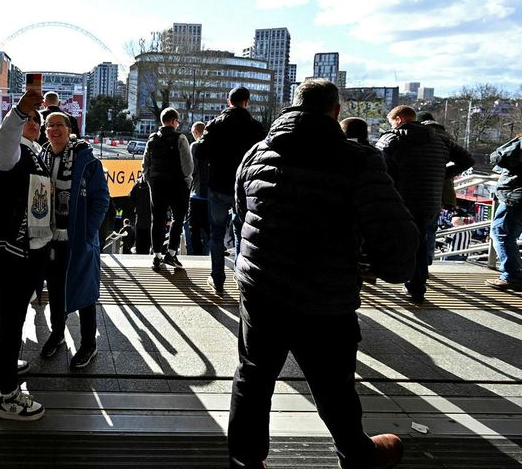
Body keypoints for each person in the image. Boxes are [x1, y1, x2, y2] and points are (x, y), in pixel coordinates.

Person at [229, 79, 418, 469]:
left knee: (253, 376)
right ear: (335, 111)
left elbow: (240, 214)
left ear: (292, 107)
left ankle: (246, 460)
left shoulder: (256, 153)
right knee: (333, 384)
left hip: (261, 286)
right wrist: (390, 270)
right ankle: (357, 453)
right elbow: (395, 232)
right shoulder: (358, 159)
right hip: (325, 293)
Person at [0, 88, 51, 421]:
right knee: (12, 318)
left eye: (38, 118)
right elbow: (3, 140)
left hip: (21, 246)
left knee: (7, 311)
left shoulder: (34, 153)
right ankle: (8, 395)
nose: (35, 123)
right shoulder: (11, 151)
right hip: (10, 248)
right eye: (30, 119)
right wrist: (18, 112)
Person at [376, 105, 474, 303]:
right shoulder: (440, 139)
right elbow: (467, 159)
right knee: (420, 243)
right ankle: (417, 287)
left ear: (399, 119)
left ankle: (389, 274)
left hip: (400, 199)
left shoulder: (392, 138)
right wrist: (442, 175)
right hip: (430, 201)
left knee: (391, 239)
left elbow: (377, 165)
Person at [38, 111, 110, 368]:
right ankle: (57, 334)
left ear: (69, 129)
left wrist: (89, 233)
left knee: (85, 291)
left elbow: (101, 199)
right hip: (48, 237)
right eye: (49, 126)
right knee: (55, 289)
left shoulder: (86, 161)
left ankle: (89, 344)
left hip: (78, 237)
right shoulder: (41, 156)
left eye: (59, 125)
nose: (54, 130)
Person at [197, 86, 266, 294]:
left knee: (216, 233)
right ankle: (240, 274)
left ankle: (217, 278)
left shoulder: (215, 125)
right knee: (240, 231)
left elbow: (201, 151)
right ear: (247, 102)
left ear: (228, 102)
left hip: (218, 185)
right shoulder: (255, 127)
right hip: (244, 188)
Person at [142, 107, 192, 272]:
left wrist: (151, 180)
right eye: (177, 121)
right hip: (177, 184)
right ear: (173, 121)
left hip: (157, 184)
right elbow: (188, 166)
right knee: (178, 218)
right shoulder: (181, 138)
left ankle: (156, 256)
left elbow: (145, 164)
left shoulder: (152, 138)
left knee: (157, 219)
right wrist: (187, 180)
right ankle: (171, 253)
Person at [486, 134, 522, 291]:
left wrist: (515, 141)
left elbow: (499, 158)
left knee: (501, 232)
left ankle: (512, 275)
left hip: (516, 195)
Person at [187, 121, 210, 257]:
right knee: (210, 231)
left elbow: (191, 170)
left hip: (197, 194)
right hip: (212, 195)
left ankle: (197, 257)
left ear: (196, 132)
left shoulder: (195, 146)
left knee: (194, 230)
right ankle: (210, 258)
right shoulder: (215, 146)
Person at [128, 175, 152, 254]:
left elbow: (131, 199)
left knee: (139, 246)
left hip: (139, 218)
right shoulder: (154, 183)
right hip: (151, 219)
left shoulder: (137, 183)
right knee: (149, 245)